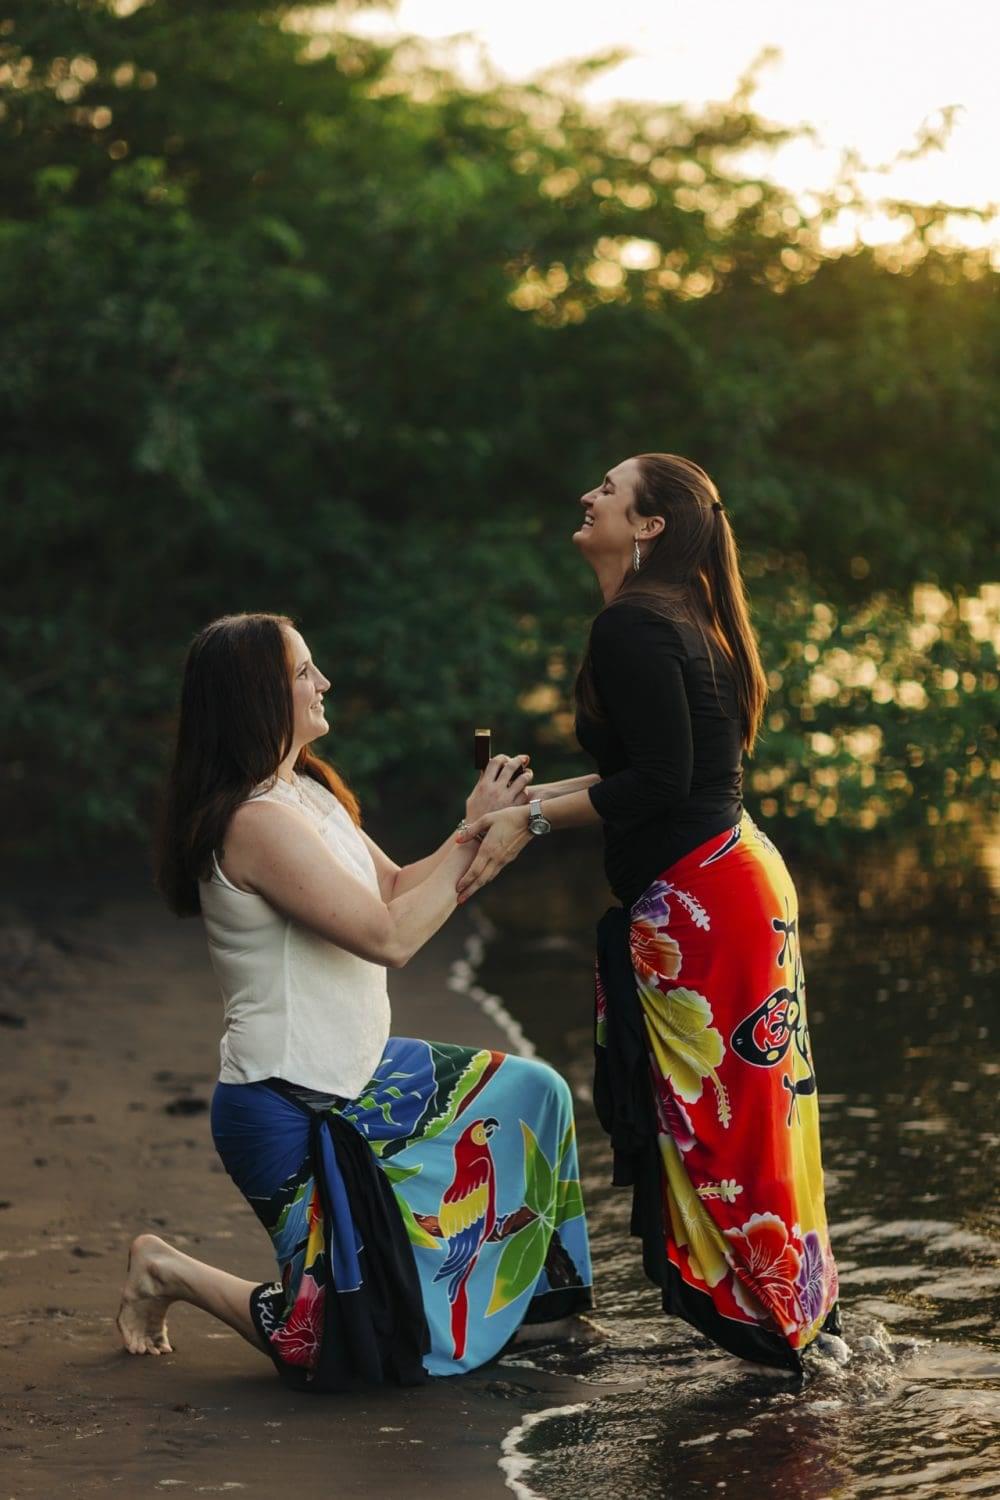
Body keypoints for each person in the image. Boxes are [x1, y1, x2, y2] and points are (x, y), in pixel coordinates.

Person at [116, 612, 592, 1390]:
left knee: (535, 1092)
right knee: (325, 1346)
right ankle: (164, 1270)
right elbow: (390, 936)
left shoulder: (308, 792)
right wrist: (486, 836)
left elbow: (400, 887)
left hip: (364, 1075)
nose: (323, 682)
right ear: (257, 695)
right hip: (287, 1103)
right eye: (304, 672)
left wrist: (480, 829)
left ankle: (531, 1308)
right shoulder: (253, 823)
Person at [456, 454, 841, 1373]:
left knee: (720, 1121)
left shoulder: (634, 622)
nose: (586, 495)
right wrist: (532, 801)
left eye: (607, 488)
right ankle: (795, 1327)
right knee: (751, 1117)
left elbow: (663, 783)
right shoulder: (671, 614)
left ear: (649, 524)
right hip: (733, 877)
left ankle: (771, 1333)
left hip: (705, 897)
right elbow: (672, 777)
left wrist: (534, 818)